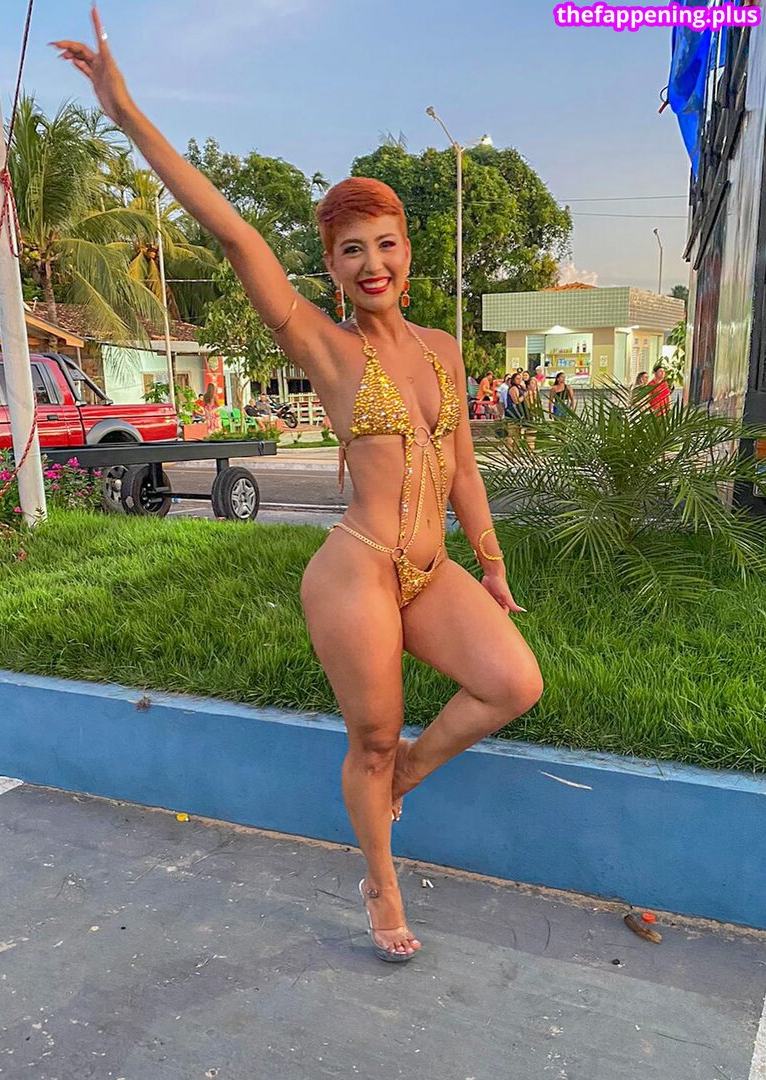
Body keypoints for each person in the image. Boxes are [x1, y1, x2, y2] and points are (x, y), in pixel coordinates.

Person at [54, 12, 542, 963]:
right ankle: (380, 878)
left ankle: (406, 774)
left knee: (512, 682)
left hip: (430, 571)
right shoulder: (321, 345)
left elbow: (463, 466)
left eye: (385, 244)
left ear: (407, 250)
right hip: (357, 570)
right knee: (370, 735)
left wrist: (488, 563)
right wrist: (126, 111)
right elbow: (231, 229)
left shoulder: (444, 352)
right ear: (331, 266)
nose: (372, 264)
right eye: (351, 249)